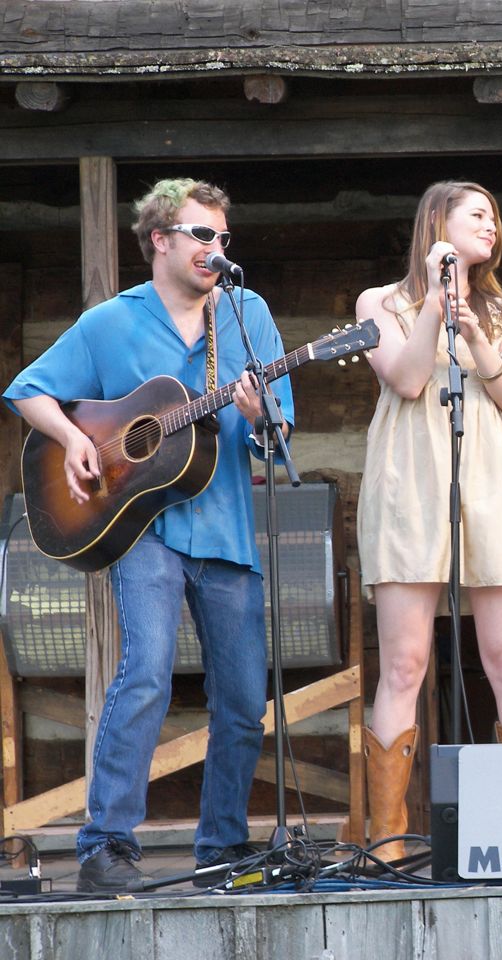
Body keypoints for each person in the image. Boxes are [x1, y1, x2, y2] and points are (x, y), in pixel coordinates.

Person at [4, 178, 294, 892]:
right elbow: (27, 389)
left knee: (241, 699)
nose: (215, 250)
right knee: (145, 675)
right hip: (146, 534)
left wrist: (260, 416)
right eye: (201, 235)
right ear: (159, 239)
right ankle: (106, 845)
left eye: (223, 238)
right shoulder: (112, 320)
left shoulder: (248, 314)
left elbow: (278, 438)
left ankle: (223, 849)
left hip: (225, 530)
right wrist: (73, 437)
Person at [356, 181, 502, 859]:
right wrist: (437, 308)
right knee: (405, 664)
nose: (492, 226)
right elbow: (409, 379)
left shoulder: (501, 310)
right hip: (413, 479)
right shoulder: (379, 303)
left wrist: (474, 333)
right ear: (437, 223)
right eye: (479, 215)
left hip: (494, 476)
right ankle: (386, 839)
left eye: (496, 218)